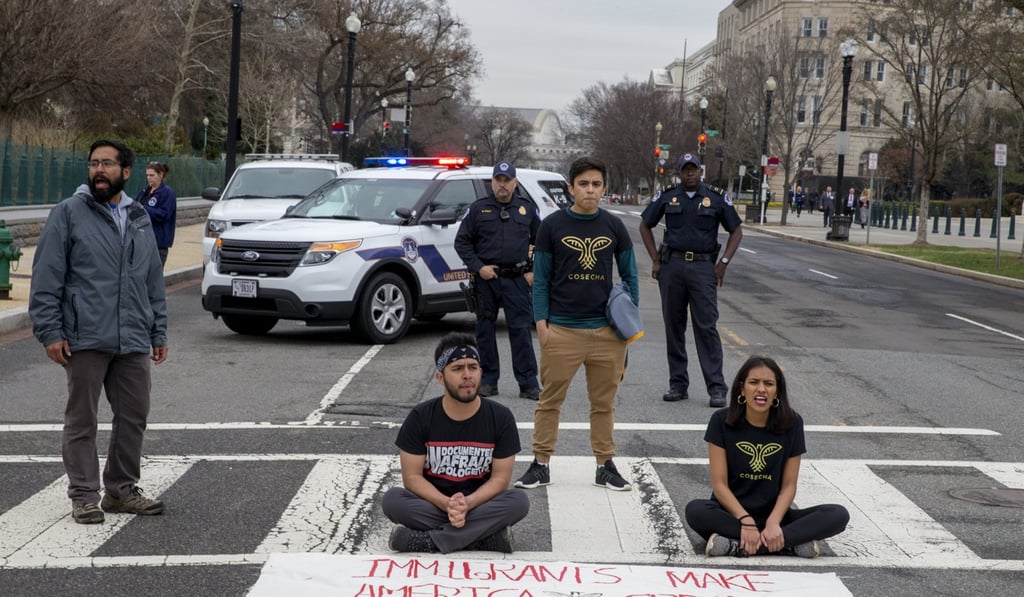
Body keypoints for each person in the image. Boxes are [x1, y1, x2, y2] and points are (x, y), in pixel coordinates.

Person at [29, 139, 168, 525]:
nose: (98, 170)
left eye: (107, 164)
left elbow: (152, 279)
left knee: (134, 415)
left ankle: (121, 491)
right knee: (82, 419)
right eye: (93, 163)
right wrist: (50, 331)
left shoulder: (139, 215)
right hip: (85, 334)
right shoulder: (69, 213)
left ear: (126, 172)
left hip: (134, 336)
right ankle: (85, 496)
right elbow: (46, 277)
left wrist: (158, 331)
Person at [515, 156, 639, 492]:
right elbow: (540, 280)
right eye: (583, 184)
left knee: (603, 405)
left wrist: (629, 323)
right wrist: (542, 324)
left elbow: (630, 275)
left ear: (604, 188)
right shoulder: (552, 226)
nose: (590, 189)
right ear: (570, 188)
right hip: (562, 330)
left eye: (596, 184)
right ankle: (540, 465)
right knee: (549, 401)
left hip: (607, 332)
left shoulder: (613, 226)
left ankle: (605, 465)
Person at [684, 355, 849, 558]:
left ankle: (736, 545)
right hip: (732, 515)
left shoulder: (792, 423)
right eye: (754, 382)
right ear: (742, 388)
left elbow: (789, 486)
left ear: (777, 391)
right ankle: (787, 545)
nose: (761, 389)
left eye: (769, 384)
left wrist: (773, 523)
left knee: (838, 515)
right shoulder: (721, 420)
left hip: (776, 517)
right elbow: (719, 485)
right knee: (695, 510)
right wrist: (745, 520)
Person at [382, 332, 529, 553]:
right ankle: (481, 539)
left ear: (481, 371)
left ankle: (427, 542)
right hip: (434, 505)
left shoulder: (501, 417)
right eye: (457, 368)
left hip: (479, 505)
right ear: (440, 377)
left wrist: (468, 504)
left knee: (519, 501)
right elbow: (411, 478)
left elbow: (500, 479)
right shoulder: (421, 416)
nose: (467, 375)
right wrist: (446, 504)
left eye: (473, 367)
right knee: (392, 500)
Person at [638, 152, 742, 408]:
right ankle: (678, 384)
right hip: (672, 267)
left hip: (703, 268)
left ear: (700, 171)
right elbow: (645, 225)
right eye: (685, 170)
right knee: (674, 326)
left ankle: (716, 388)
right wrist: (655, 259)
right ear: (679, 173)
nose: (690, 173)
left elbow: (736, 231)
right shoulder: (668, 195)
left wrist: (723, 264)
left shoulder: (716, 197)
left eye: (693, 169)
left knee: (706, 327)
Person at [454, 161, 541, 400]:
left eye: (507, 180)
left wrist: (533, 270)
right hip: (487, 280)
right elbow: (462, 242)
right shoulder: (478, 209)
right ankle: (489, 381)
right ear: (492, 182)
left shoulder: (527, 210)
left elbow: (541, 241)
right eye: (498, 180)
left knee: (521, 330)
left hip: (517, 280)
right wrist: (478, 267)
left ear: (514, 183)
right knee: (484, 330)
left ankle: (528, 383)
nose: (502, 185)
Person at [134, 161, 177, 266]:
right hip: (142, 241)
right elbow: (135, 205)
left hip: (158, 243)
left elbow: (164, 214)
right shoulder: (145, 191)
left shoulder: (167, 193)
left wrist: (144, 209)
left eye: (152, 175)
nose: (149, 178)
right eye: (147, 175)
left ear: (161, 175)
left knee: (154, 277)